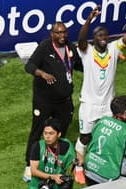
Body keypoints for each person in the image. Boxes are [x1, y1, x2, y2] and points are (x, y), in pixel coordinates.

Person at [75, 6, 126, 168]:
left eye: (105, 35)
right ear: (94, 38)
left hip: (108, 104)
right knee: (85, 137)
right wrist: (89, 20)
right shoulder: (86, 51)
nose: (103, 38)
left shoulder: (114, 48)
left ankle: (104, 162)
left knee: (107, 134)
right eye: (99, 35)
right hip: (89, 104)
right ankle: (79, 166)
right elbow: (81, 40)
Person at [24, 20, 82, 155]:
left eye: (64, 32)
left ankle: (55, 157)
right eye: (58, 33)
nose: (62, 35)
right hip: (44, 100)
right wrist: (42, 73)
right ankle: (29, 162)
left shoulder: (70, 47)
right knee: (37, 131)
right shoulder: (45, 47)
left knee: (61, 130)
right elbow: (29, 66)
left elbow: (79, 65)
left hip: (64, 100)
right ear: (52, 34)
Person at [26, 119, 74, 189]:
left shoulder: (66, 146)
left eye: (51, 133)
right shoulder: (38, 146)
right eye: (45, 133)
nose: (47, 137)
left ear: (59, 134)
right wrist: (53, 177)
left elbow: (70, 169)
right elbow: (33, 171)